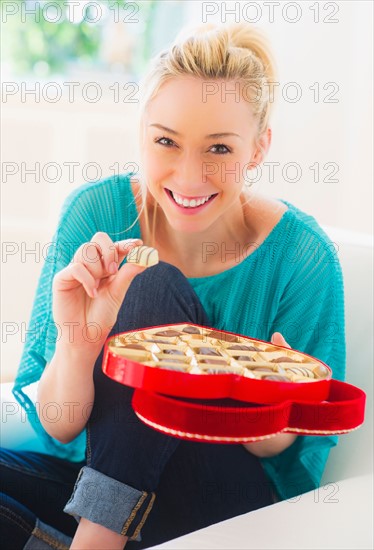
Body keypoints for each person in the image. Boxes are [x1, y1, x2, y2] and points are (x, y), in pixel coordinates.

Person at [0, 22, 345, 550]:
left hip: (219, 504)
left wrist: (264, 397)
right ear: (141, 133)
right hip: (87, 476)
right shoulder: (95, 213)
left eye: (220, 150)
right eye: (166, 141)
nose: (189, 177)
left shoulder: (301, 257)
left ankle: (96, 539)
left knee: (151, 285)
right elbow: (60, 425)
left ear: (258, 148)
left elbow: (282, 451)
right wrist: (80, 342)